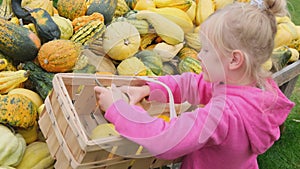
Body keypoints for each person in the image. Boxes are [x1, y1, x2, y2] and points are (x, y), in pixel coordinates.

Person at [94, 0, 295, 168]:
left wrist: (118, 109)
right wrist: (150, 88)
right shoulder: (252, 88)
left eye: (207, 51)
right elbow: (196, 84)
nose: (199, 56)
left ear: (234, 60)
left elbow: (167, 139)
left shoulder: (222, 115)